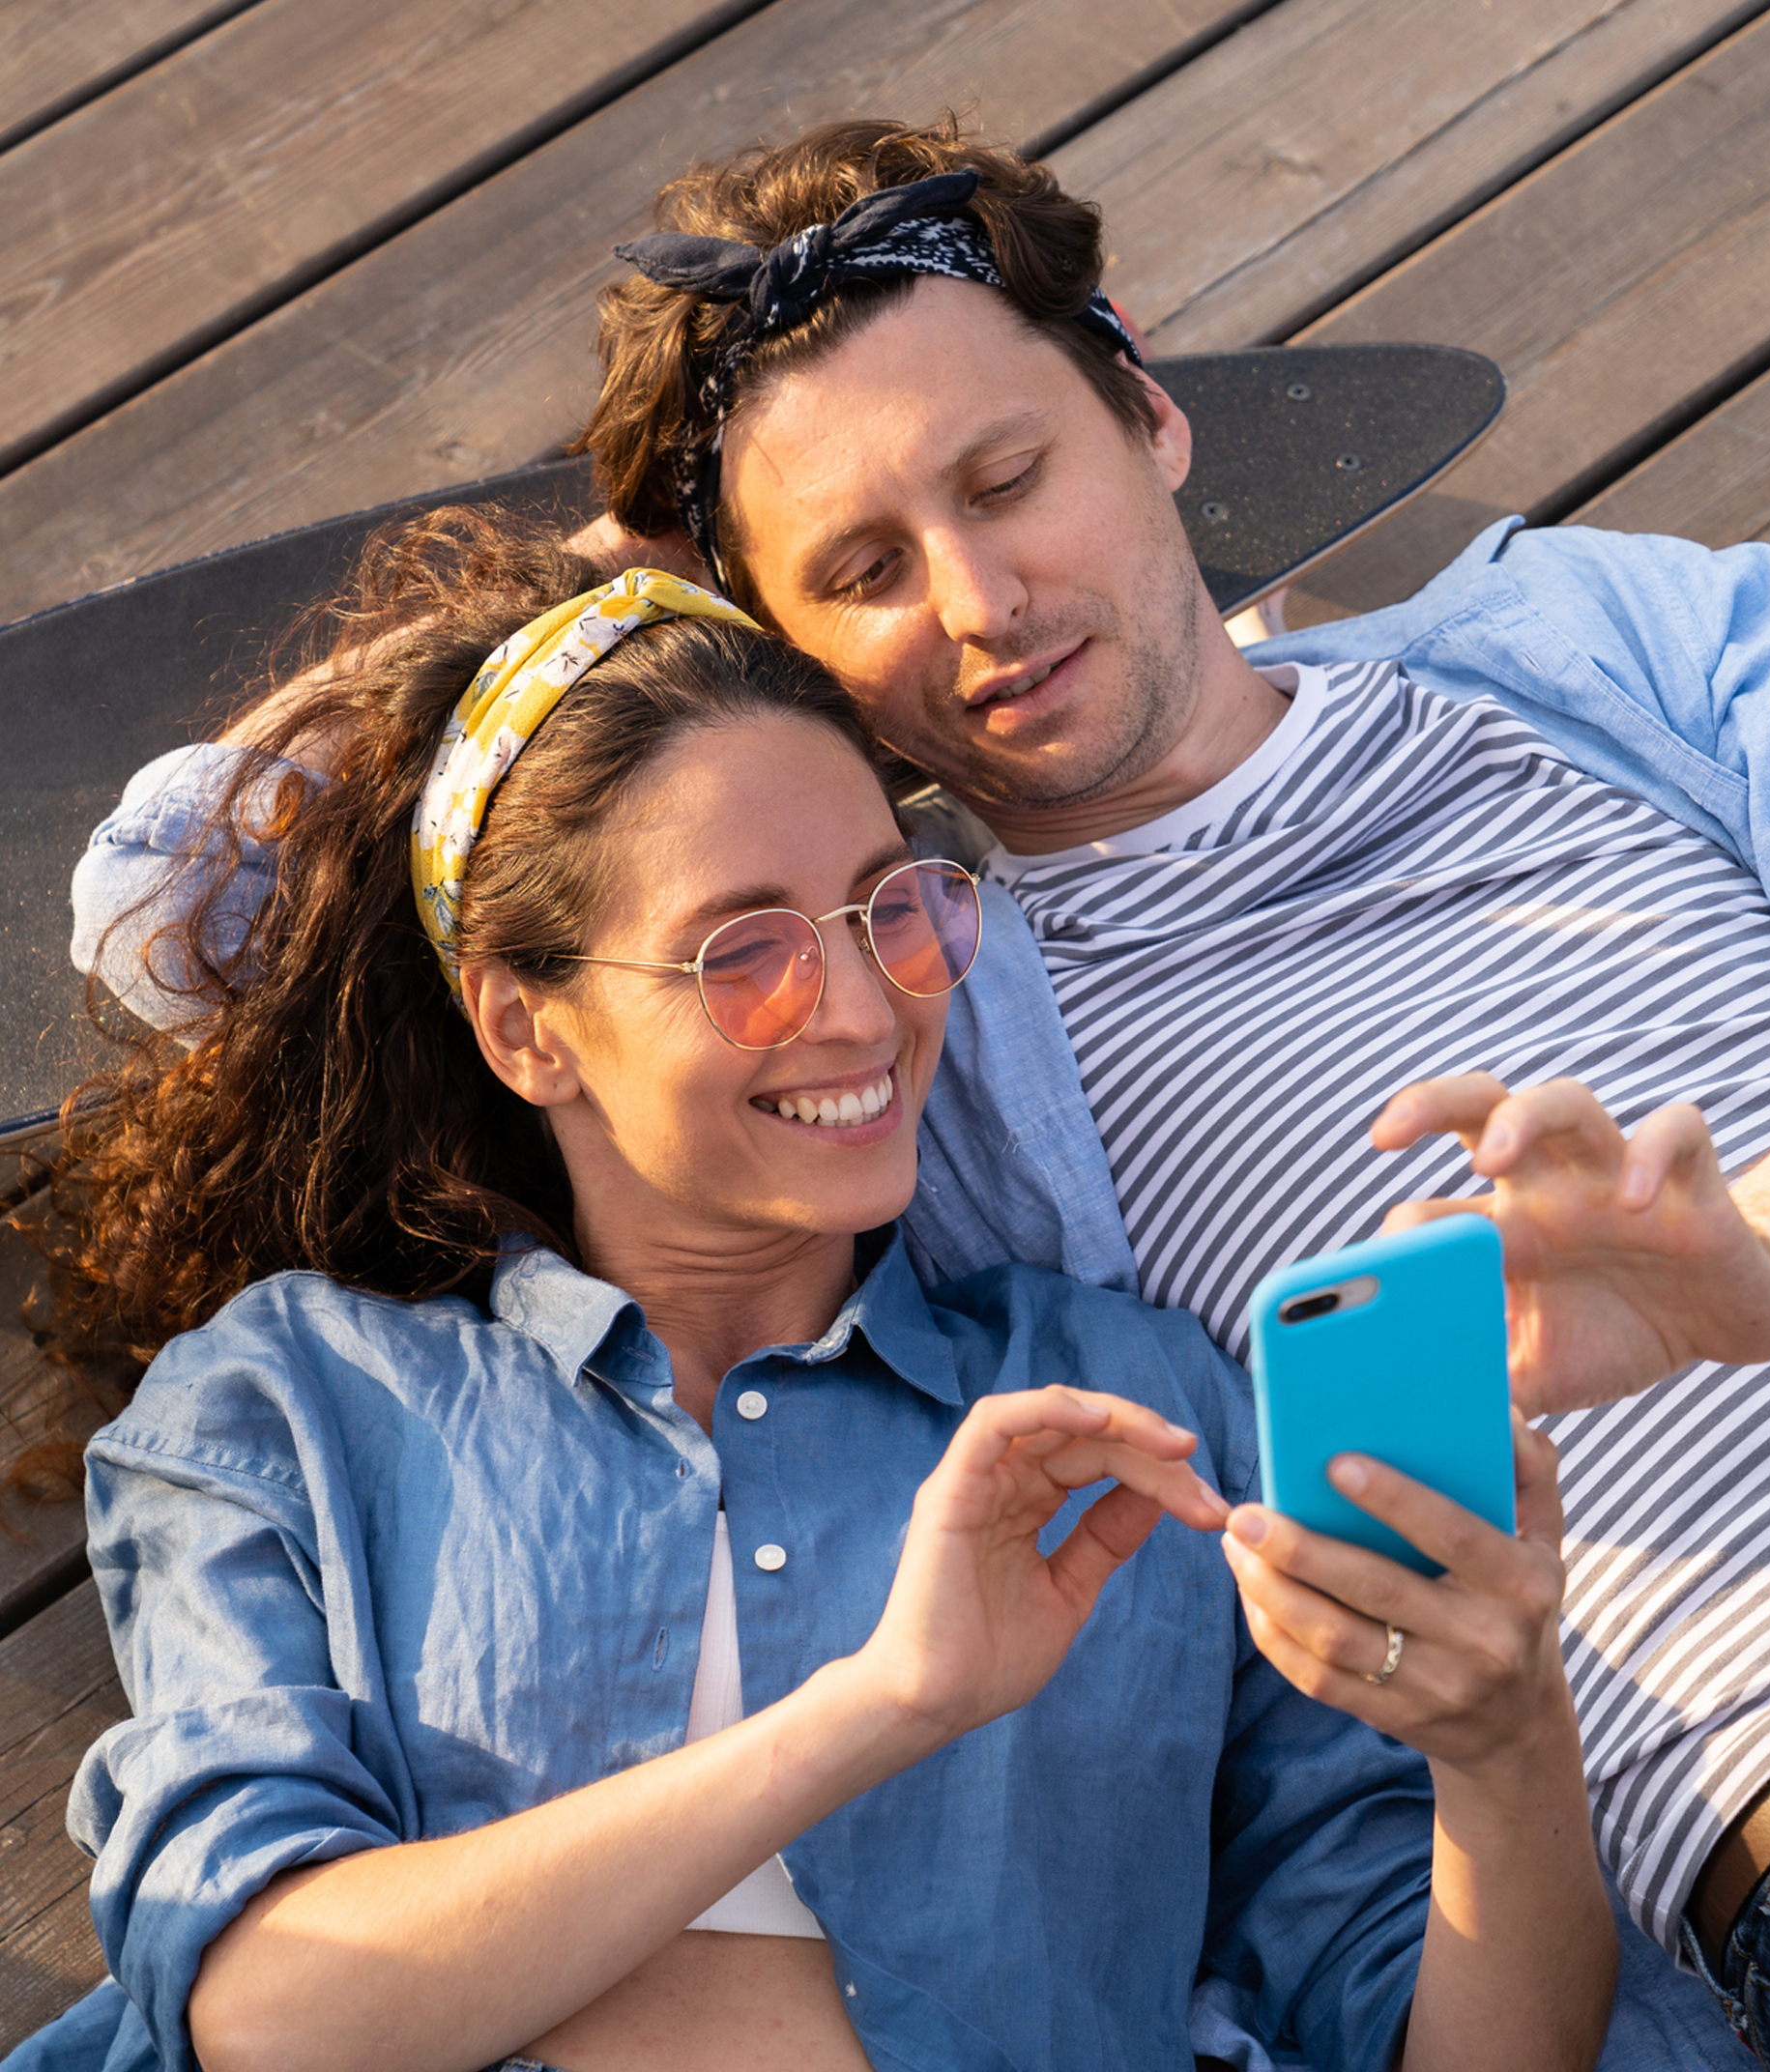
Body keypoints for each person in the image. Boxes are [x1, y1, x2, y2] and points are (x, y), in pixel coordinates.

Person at [71, 117, 1770, 2069]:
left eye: (1006, 475)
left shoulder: (1595, 633)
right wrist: (612, 599)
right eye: (856, 567)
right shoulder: (917, 1013)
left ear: (1148, 406)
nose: (976, 600)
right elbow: (176, 896)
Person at [9, 513, 1617, 2072]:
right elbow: (270, 2013)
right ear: (524, 1029)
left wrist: (1506, 1741)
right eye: (746, 951)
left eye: (889, 908)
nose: (859, 1009)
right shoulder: (296, 1399)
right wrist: (885, 1705)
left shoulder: (1131, 1410)